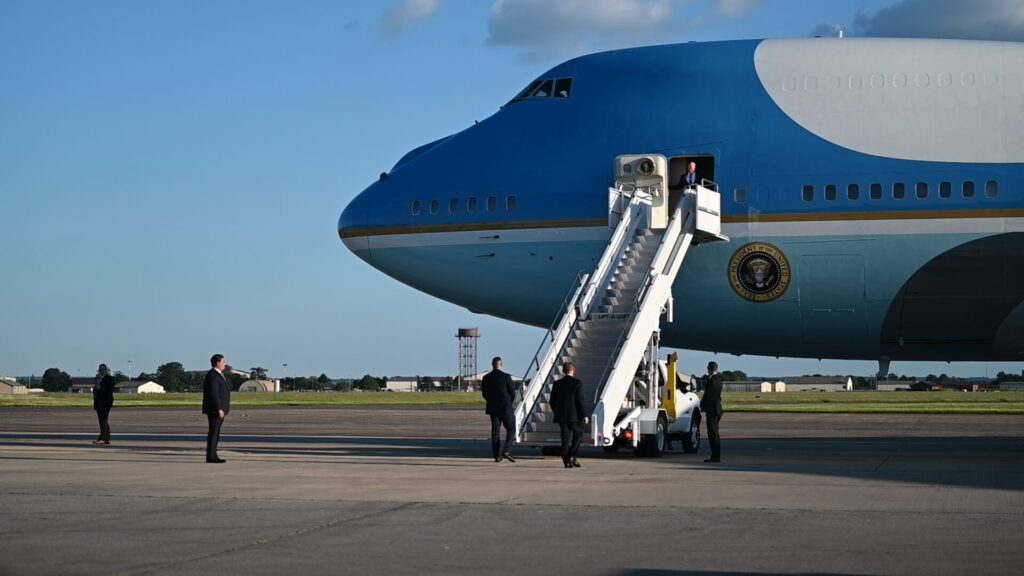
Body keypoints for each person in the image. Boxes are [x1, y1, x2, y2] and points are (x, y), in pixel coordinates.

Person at [549, 361, 588, 469]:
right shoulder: (578, 383)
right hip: (574, 416)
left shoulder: (557, 384)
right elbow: (580, 401)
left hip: (561, 416)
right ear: (573, 370)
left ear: (563, 371)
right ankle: (571, 456)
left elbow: (552, 401)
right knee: (578, 435)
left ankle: (567, 461)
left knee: (565, 439)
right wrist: (584, 415)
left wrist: (557, 412)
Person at [481, 356, 516, 463]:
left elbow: (484, 394)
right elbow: (512, 394)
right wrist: (508, 403)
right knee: (511, 429)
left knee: (495, 432)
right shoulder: (506, 377)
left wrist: (491, 401)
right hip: (505, 407)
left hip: (493, 408)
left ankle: (496, 456)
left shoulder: (486, 378)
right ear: (502, 364)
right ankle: (507, 450)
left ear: (492, 365)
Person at [202, 354, 231, 463]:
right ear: (218, 363)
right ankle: (211, 456)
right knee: (214, 432)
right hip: (215, 410)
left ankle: (213, 455)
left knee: (216, 432)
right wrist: (219, 408)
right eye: (223, 362)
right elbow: (214, 394)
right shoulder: (213, 375)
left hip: (218, 409)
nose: (225, 364)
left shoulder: (218, 374)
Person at [699, 361, 724, 463]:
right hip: (717, 409)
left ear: (709, 369)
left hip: (712, 411)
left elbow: (707, 396)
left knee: (712, 434)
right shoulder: (718, 380)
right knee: (715, 434)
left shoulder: (711, 381)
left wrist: (702, 406)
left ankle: (715, 456)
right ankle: (716, 455)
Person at [92, 364, 115, 445]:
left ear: (106, 370)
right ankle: (106, 438)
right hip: (98, 402)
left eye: (103, 369)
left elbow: (109, 390)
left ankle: (102, 439)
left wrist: (100, 388)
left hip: (105, 403)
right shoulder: (98, 378)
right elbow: (95, 389)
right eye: (100, 369)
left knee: (103, 421)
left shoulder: (109, 379)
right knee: (102, 421)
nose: (101, 371)